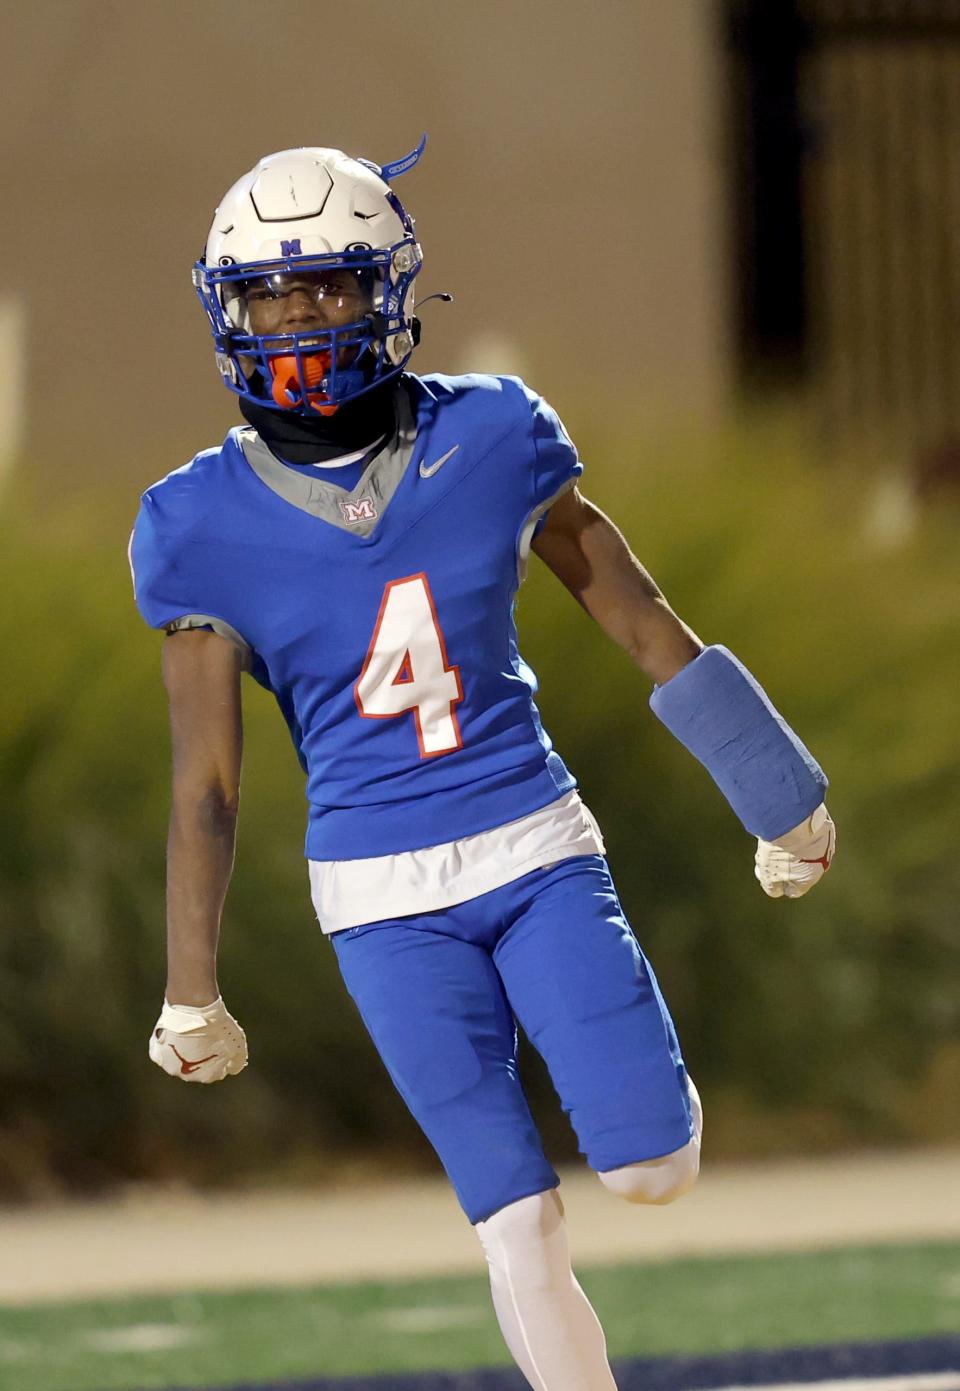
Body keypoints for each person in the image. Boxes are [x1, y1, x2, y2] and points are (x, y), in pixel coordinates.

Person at [129, 138, 836, 1391]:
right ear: (225, 310)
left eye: (328, 288)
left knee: (650, 1170)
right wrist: (191, 988)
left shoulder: (495, 434)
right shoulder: (194, 519)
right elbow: (207, 782)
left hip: (534, 847)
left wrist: (782, 791)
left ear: (387, 290)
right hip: (378, 896)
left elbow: (636, 613)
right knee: (514, 1214)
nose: (297, 320)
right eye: (269, 296)